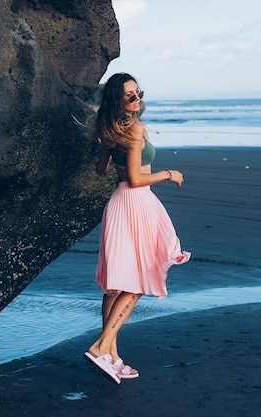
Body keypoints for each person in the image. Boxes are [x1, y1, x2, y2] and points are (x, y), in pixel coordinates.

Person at [83, 73, 191, 384]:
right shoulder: (135, 128)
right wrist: (169, 173)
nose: (136, 98)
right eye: (129, 95)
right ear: (118, 99)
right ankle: (101, 347)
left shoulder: (110, 129)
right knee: (138, 280)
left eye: (138, 92)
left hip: (120, 203)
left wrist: (106, 145)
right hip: (135, 202)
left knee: (115, 284)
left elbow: (102, 169)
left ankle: (112, 358)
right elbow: (136, 178)